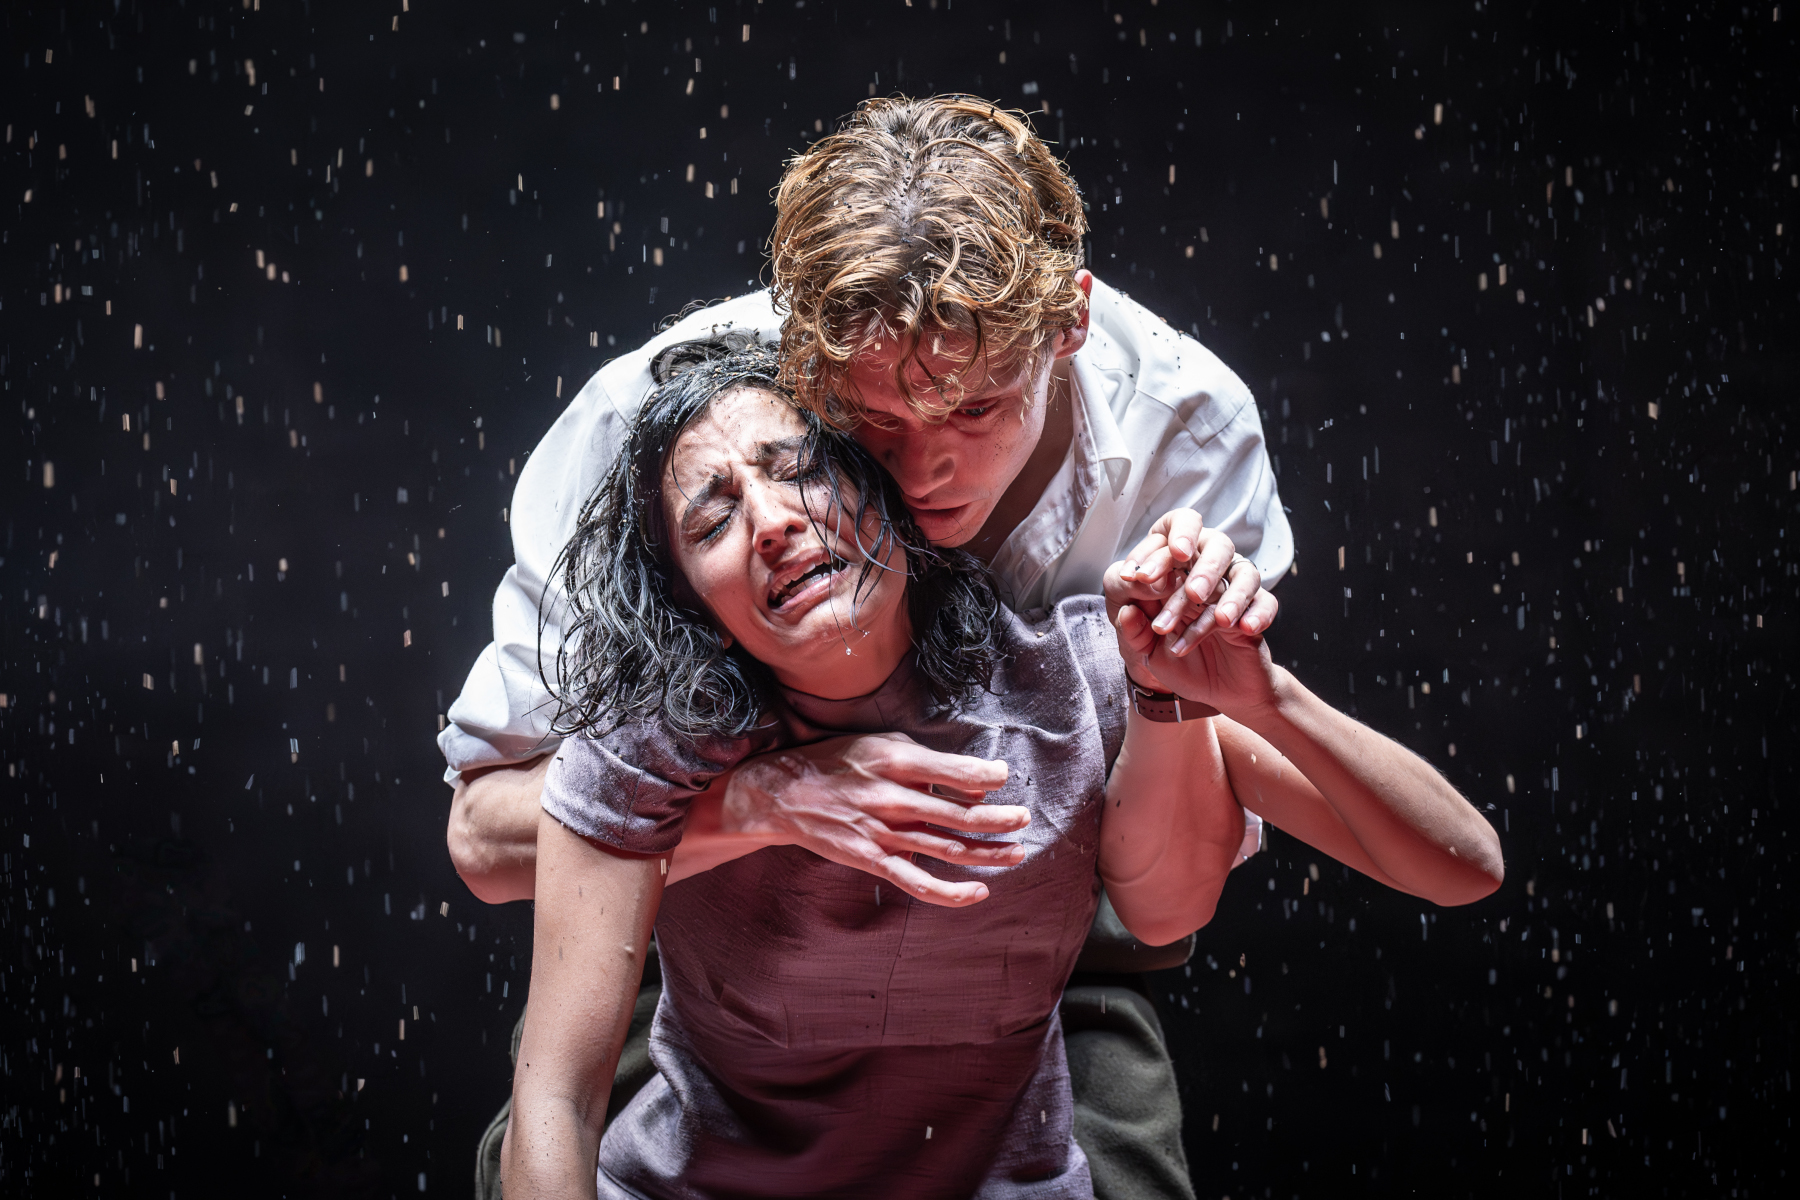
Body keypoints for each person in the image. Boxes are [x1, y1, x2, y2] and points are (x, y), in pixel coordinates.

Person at [442, 95, 1436, 1198]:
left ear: (1071, 324)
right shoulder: (685, 425)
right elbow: (487, 840)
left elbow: (1188, 881)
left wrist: (1208, 700)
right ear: (806, 347)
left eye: (977, 410)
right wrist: (765, 800)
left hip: (1055, 926)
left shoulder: (1186, 439)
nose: (920, 478)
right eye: (874, 427)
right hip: (712, 940)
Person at [502, 341, 1502, 1199]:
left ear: (879, 488)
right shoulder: (652, 748)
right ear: (698, 612)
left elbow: (1465, 867)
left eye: (801, 467)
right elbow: (556, 1093)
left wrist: (1261, 694)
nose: (771, 521)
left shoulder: (1077, 677)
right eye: (713, 522)